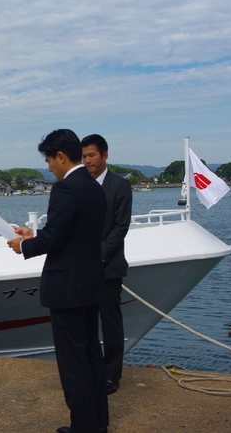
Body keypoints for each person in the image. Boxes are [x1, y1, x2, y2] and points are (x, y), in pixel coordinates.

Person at [8, 129, 109, 433]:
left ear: (61, 156)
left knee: (72, 360)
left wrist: (23, 245)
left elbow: (56, 237)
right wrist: (35, 234)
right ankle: (98, 423)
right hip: (91, 283)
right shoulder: (94, 187)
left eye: (49, 160)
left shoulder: (64, 189)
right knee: (92, 353)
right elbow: (71, 235)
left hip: (66, 288)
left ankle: (82, 426)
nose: (49, 167)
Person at [81, 134, 132, 395]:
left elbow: (120, 228)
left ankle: (112, 376)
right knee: (84, 324)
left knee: (111, 324)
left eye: (92, 155)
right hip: (80, 268)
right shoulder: (80, 185)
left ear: (104, 155)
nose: (88, 160)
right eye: (84, 156)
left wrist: (98, 257)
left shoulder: (120, 186)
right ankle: (91, 370)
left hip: (107, 267)